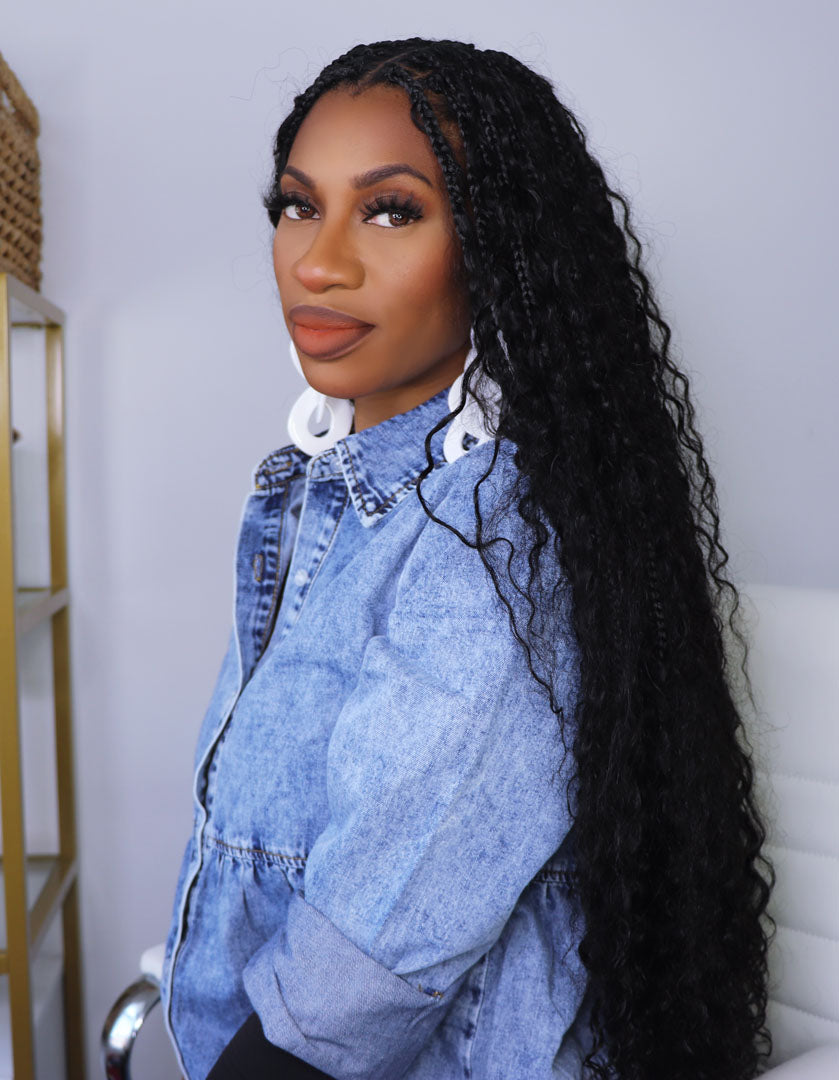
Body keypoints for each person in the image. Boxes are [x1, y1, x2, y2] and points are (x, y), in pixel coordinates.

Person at [159, 37, 775, 1080]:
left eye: (391, 211)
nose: (317, 262)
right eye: (298, 205)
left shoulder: (488, 542)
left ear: (499, 246)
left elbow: (350, 990)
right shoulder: (323, 498)